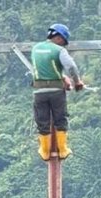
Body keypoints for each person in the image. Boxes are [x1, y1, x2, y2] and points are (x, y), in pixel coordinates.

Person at [31, 23, 85, 160]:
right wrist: (77, 81)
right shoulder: (59, 50)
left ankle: (44, 151)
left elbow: (45, 69)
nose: (63, 45)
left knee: (42, 121)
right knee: (60, 119)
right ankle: (62, 150)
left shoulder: (35, 49)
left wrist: (63, 77)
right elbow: (71, 66)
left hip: (39, 92)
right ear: (60, 38)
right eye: (64, 42)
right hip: (56, 92)